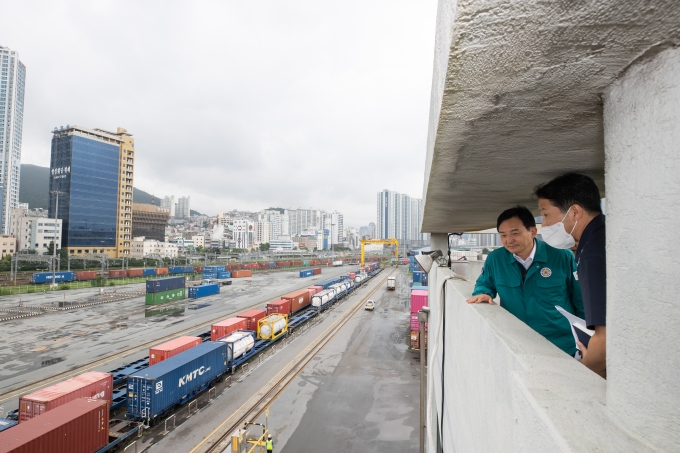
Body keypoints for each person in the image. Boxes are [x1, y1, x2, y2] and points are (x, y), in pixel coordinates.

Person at [467, 206, 584, 356]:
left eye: (515, 233)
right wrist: (483, 292)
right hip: (518, 345)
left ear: (533, 232)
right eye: (503, 235)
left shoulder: (561, 256)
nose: (509, 240)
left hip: (561, 345)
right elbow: (485, 283)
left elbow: (581, 299)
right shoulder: (496, 259)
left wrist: (587, 339)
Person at [535, 173, 606, 378]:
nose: (545, 225)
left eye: (546, 215)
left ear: (575, 212)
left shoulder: (592, 254)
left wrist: (583, 374)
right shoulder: (603, 236)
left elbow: (605, 339)